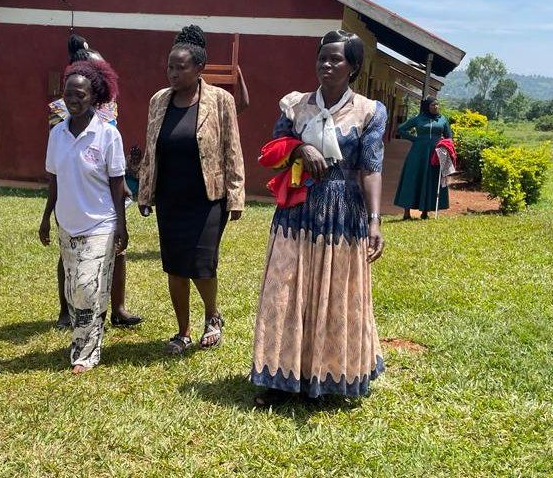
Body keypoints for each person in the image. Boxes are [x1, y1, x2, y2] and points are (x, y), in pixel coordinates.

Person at [250, 30, 386, 406]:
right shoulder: (295, 105)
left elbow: (371, 168)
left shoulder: (369, 111)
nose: (326, 65)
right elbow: (273, 149)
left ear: (353, 67)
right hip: (297, 210)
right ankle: (280, 378)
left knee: (336, 294)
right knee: (286, 290)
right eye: (322, 57)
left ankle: (332, 375)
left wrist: (374, 221)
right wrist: (301, 146)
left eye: (336, 59)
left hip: (343, 214)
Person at [137, 25, 245, 355]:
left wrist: (236, 193)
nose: (173, 73)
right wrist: (145, 192)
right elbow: (151, 147)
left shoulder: (220, 100)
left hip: (207, 197)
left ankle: (212, 316)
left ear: (199, 69)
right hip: (171, 197)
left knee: (201, 264)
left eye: (180, 67)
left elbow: (232, 147)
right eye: (170, 66)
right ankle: (182, 331)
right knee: (174, 266)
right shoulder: (158, 101)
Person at [39, 60, 128, 374]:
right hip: (67, 222)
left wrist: (121, 226)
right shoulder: (57, 134)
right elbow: (54, 179)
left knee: (88, 288)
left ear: (95, 98)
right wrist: (46, 217)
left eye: (80, 95)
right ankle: (87, 336)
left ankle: (85, 354)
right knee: (73, 289)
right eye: (68, 94)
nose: (73, 100)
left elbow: (118, 184)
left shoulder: (107, 136)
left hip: (100, 223)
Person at [48, 34, 143, 329]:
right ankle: (66, 309)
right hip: (75, 192)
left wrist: (125, 171)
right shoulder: (59, 110)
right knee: (69, 255)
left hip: (103, 186)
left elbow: (109, 143)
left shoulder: (108, 108)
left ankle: (118, 308)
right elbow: (62, 157)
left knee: (116, 251)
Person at [393, 96, 453, 219]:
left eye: (437, 104)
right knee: (412, 179)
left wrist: (445, 146)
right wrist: (415, 139)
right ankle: (406, 212)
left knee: (431, 179)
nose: (436, 107)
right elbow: (401, 129)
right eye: (432, 105)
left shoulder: (442, 120)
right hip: (418, 153)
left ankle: (425, 211)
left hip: (435, 154)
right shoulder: (419, 119)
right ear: (427, 106)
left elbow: (449, 136)